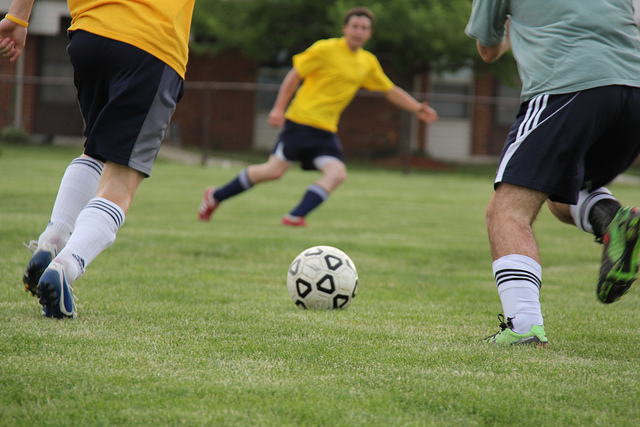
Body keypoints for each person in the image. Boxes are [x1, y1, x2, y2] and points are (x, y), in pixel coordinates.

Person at [2, 0, 196, 318]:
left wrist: (18, 16)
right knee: (121, 180)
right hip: (150, 42)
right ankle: (65, 266)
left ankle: (52, 240)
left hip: (89, 34)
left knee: (96, 150)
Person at [465, 0, 640, 346]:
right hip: (632, 90)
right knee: (562, 191)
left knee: (507, 210)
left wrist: (512, 26)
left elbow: (487, 48)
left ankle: (524, 327)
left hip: (569, 86)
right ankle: (613, 221)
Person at [198, 7, 438, 227]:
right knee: (273, 171)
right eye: (354, 26)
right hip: (300, 123)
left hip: (326, 131)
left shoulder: (367, 62)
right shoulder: (325, 49)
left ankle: (295, 215)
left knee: (337, 173)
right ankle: (215, 195)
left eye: (364, 28)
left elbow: (389, 89)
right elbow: (294, 75)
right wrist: (278, 108)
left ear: (369, 34)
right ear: (344, 28)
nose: (358, 31)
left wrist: (416, 107)